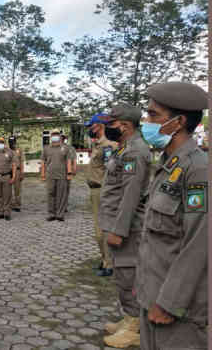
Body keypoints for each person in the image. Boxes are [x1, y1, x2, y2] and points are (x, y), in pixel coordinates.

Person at [136, 82, 208, 350]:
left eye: (154, 115)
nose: (146, 121)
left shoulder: (198, 171)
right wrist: (142, 287)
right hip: (151, 293)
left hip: (177, 308)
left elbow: (199, 245)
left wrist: (169, 303)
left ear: (178, 122)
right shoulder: (168, 165)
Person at [99, 103, 151, 348]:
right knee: (122, 274)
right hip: (115, 222)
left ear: (125, 125)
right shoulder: (125, 149)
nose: (108, 128)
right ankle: (129, 317)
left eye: (111, 124)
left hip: (126, 227)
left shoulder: (135, 152)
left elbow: (131, 194)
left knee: (129, 274)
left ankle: (135, 327)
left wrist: (119, 230)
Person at [84, 114, 118, 277]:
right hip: (96, 190)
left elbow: (110, 171)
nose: (89, 129)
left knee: (103, 231)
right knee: (99, 230)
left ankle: (109, 264)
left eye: (91, 126)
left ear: (99, 126)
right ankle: (105, 260)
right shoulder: (98, 144)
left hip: (103, 191)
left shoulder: (107, 146)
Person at [41, 132, 72, 222]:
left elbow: (68, 161)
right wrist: (42, 174)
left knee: (61, 195)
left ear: (59, 136)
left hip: (62, 175)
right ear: (51, 137)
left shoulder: (65, 148)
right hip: (50, 175)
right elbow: (43, 162)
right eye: (53, 135)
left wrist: (69, 173)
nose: (55, 136)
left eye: (56, 134)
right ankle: (51, 214)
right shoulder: (46, 148)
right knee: (50, 194)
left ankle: (60, 214)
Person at [0, 137, 17, 221]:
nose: (0, 143)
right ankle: (0, 212)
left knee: (7, 195)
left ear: (4, 143)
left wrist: (14, 176)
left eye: (2, 142)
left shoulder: (10, 152)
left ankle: (7, 213)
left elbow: (14, 165)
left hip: (6, 176)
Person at [8, 136, 25, 212]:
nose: (12, 144)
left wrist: (22, 172)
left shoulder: (19, 150)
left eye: (13, 142)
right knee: (8, 190)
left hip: (17, 171)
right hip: (8, 172)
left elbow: (21, 162)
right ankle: (10, 205)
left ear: (15, 142)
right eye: (10, 142)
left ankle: (17, 205)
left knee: (17, 189)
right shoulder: (6, 150)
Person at [61, 134, 77, 213]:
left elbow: (74, 159)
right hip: (58, 171)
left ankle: (64, 205)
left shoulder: (70, 148)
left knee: (66, 189)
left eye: (62, 138)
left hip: (67, 171)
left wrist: (74, 169)